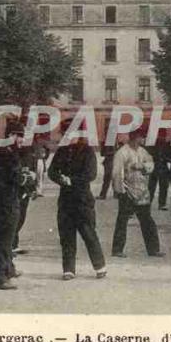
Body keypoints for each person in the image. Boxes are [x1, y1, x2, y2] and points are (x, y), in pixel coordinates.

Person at [47, 118, 107, 281]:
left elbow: (91, 174)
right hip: (65, 200)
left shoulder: (87, 151)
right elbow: (51, 171)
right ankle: (68, 269)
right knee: (66, 235)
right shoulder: (62, 151)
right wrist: (61, 179)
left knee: (88, 233)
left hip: (82, 200)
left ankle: (100, 266)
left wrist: (71, 180)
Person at [111, 128, 165, 258]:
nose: (142, 140)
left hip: (141, 191)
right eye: (141, 137)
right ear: (134, 137)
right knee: (122, 220)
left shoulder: (143, 151)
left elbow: (151, 165)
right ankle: (117, 249)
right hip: (127, 191)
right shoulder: (122, 152)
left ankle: (153, 249)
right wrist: (120, 191)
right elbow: (117, 173)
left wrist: (142, 166)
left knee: (147, 220)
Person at [0, 118, 27, 290]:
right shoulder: (4, 154)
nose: (22, 140)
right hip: (5, 202)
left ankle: (7, 270)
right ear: (11, 135)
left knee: (7, 238)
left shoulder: (6, 152)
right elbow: (14, 177)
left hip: (8, 200)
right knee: (3, 240)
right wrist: (26, 177)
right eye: (20, 136)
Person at [148, 132, 171, 211]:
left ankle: (161, 204)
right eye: (161, 136)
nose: (162, 138)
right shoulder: (152, 144)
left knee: (163, 187)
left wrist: (165, 158)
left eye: (163, 136)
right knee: (151, 187)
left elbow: (170, 155)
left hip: (163, 167)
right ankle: (149, 203)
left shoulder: (167, 145)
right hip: (155, 167)